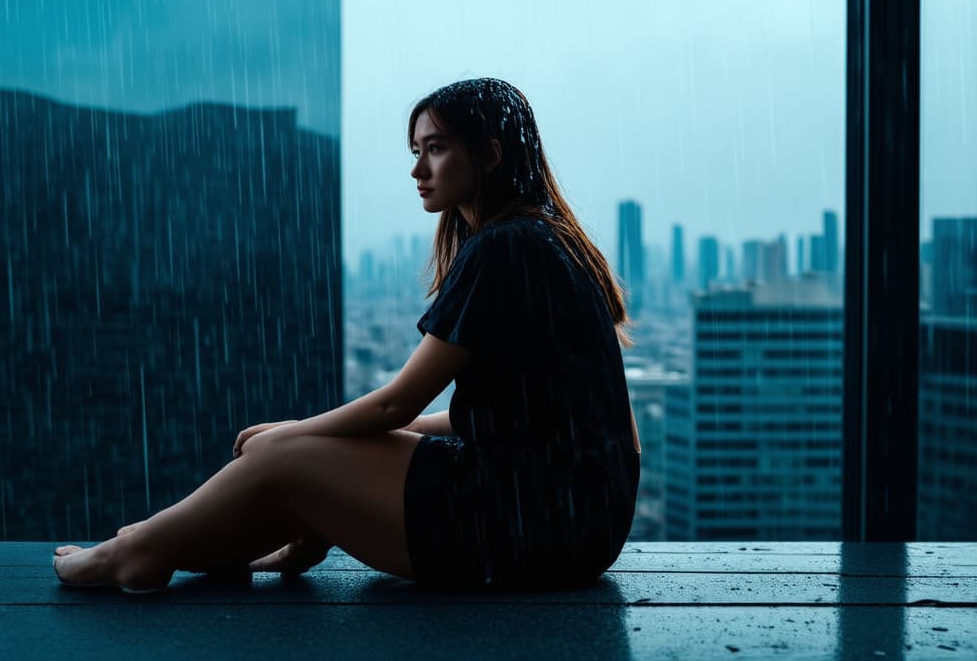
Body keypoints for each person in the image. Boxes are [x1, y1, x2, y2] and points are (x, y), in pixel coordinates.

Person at [52, 77, 641, 593]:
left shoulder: (503, 247)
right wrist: (329, 455)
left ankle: (132, 553)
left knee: (281, 455)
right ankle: (157, 543)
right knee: (303, 454)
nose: (417, 170)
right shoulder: (553, 243)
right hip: (577, 527)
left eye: (435, 149)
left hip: (523, 528)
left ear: (489, 154)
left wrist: (289, 437)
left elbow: (395, 402)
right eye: (416, 151)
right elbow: (503, 418)